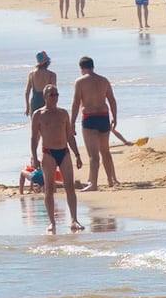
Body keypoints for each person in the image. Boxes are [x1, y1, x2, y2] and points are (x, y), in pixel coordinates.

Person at [28, 84, 84, 233]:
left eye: (56, 94)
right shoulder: (38, 115)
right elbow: (34, 138)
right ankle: (52, 222)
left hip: (64, 152)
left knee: (69, 186)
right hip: (48, 153)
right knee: (49, 188)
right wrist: (34, 156)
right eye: (52, 95)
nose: (55, 97)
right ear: (45, 97)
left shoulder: (63, 113)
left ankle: (74, 219)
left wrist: (77, 155)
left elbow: (70, 136)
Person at [70, 56, 118, 191]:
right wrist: (115, 117)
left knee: (93, 155)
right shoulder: (104, 80)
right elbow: (112, 100)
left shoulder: (80, 82)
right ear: (93, 66)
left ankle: (94, 184)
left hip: (90, 117)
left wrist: (72, 122)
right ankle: (110, 180)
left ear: (81, 68)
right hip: (104, 116)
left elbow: (75, 103)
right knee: (105, 151)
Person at [24, 51, 56, 116]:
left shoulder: (32, 74)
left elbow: (27, 92)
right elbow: (54, 92)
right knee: (48, 125)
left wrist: (27, 107)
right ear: (47, 62)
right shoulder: (52, 75)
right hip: (47, 102)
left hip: (34, 102)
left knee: (35, 124)